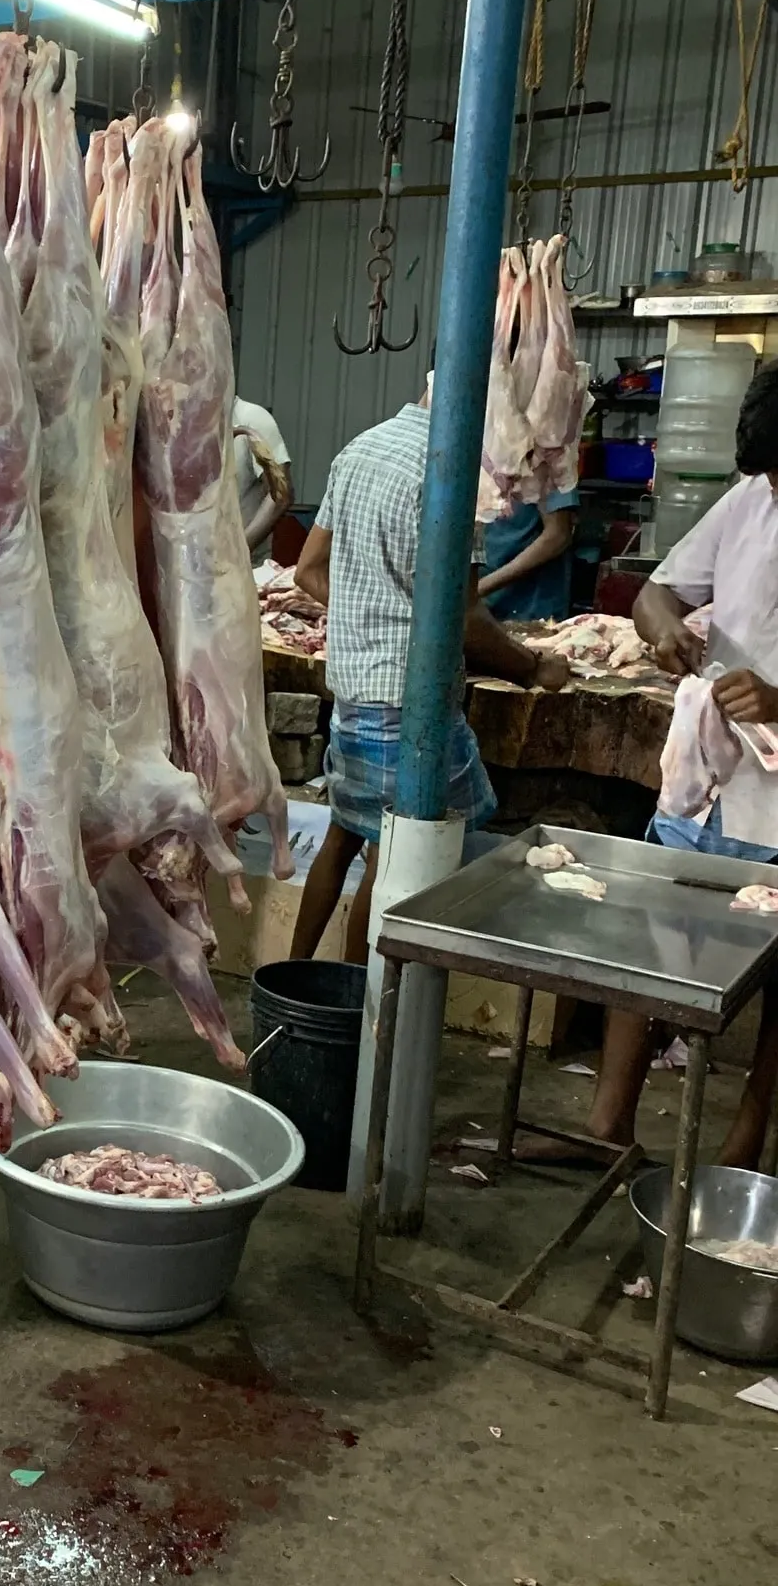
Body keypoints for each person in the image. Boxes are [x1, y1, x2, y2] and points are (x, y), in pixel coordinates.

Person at [522, 364, 778, 1170]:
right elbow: (656, 592)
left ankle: (742, 1157)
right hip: (705, 782)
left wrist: (777, 700)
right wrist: (664, 627)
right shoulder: (751, 500)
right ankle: (607, 1129)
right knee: (644, 944)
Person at [287, 385, 569, 965]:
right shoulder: (451, 475)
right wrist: (533, 668)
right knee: (394, 851)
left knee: (345, 834)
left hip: (353, 692)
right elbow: (462, 619)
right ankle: (351, 1006)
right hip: (405, 704)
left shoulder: (361, 447)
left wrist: (370, 617)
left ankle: (293, 980)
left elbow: (308, 571)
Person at [477, 476, 578, 621]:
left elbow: (558, 535)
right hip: (480, 604)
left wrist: (479, 588)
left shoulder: (549, 457)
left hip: (528, 610)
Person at [233, 396, 294, 561]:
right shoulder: (178, 422)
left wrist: (238, 552)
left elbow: (280, 495)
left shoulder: (251, 417)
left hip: (244, 569)